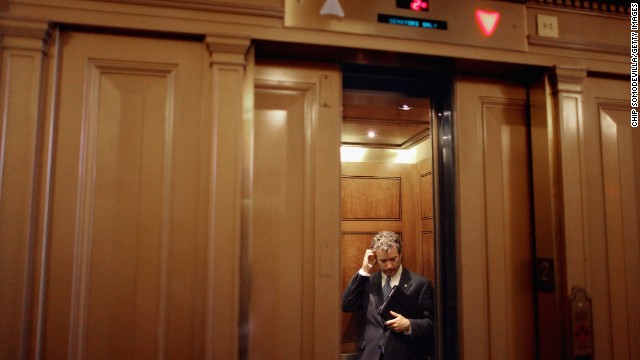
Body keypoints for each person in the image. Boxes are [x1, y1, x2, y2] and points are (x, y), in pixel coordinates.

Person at [342, 231, 434, 360]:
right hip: (370, 354)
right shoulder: (367, 282)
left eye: (393, 259)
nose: (389, 265)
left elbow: (431, 324)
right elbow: (347, 305)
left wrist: (409, 324)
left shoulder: (420, 284)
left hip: (404, 355)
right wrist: (364, 271)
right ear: (376, 259)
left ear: (400, 254)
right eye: (383, 261)